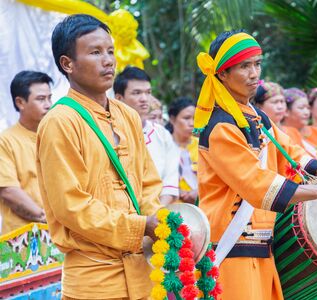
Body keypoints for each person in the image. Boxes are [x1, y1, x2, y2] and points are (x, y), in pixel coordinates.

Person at [194, 29, 317, 300]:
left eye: (257, 63)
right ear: (222, 73)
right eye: (244, 66)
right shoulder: (221, 126)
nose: (254, 73)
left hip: (263, 246)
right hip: (232, 250)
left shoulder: (258, 118)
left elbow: (294, 154)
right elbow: (257, 184)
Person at [36, 14, 162, 299]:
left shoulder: (127, 115)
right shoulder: (60, 121)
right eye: (95, 52)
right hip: (94, 282)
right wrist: (141, 226)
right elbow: (71, 205)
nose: (108, 60)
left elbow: (148, 181)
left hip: (144, 277)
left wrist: (155, 219)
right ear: (67, 64)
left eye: (110, 51)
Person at [114, 66, 180, 205]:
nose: (144, 99)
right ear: (119, 98)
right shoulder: (109, 132)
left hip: (159, 213)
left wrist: (157, 216)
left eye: (148, 92)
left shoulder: (162, 135)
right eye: (137, 93)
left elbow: (170, 182)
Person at [0, 71, 51, 234]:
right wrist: (47, 219)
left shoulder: (56, 137)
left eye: (50, 97)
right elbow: (8, 191)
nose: (49, 104)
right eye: (41, 99)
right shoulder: (5, 141)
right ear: (20, 102)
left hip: (59, 236)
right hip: (21, 243)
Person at [167, 97, 198, 204]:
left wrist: (197, 192)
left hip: (201, 205)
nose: (192, 123)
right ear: (172, 119)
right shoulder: (163, 146)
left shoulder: (203, 146)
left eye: (195, 118)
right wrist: (176, 191)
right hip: (171, 206)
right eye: (186, 118)